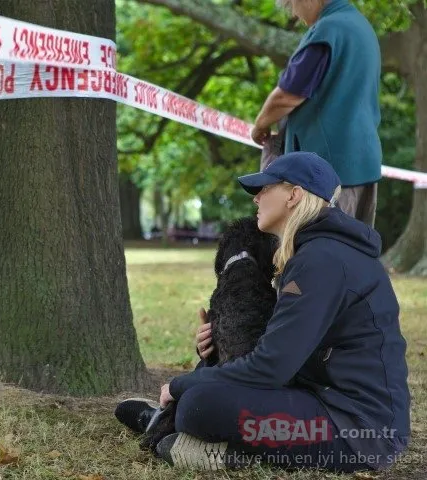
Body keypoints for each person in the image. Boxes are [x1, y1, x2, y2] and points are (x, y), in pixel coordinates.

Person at [115, 152, 410, 472]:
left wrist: (179, 385)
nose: (256, 198)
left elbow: (271, 368)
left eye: (265, 188)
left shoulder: (321, 261)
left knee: (198, 406)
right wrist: (212, 351)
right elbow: (289, 347)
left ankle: (216, 447)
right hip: (333, 405)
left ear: (294, 196)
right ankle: (170, 424)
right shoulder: (319, 252)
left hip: (358, 433)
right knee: (204, 386)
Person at [251, 0, 382, 227]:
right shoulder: (362, 27)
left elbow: (288, 95)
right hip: (363, 165)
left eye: (291, 4)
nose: (293, 13)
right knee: (356, 253)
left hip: (328, 173)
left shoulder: (328, 29)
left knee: (323, 254)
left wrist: (261, 123)